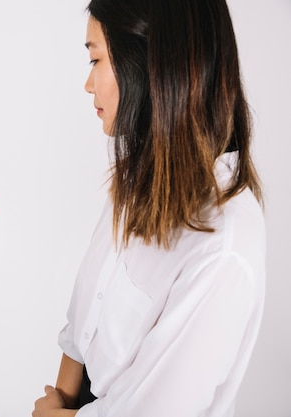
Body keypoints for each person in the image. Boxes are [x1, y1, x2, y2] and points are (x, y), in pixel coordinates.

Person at [33, 0, 265, 416]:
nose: (89, 83)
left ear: (149, 64)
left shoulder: (223, 244)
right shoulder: (142, 174)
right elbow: (85, 321)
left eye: (96, 59)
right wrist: (63, 400)